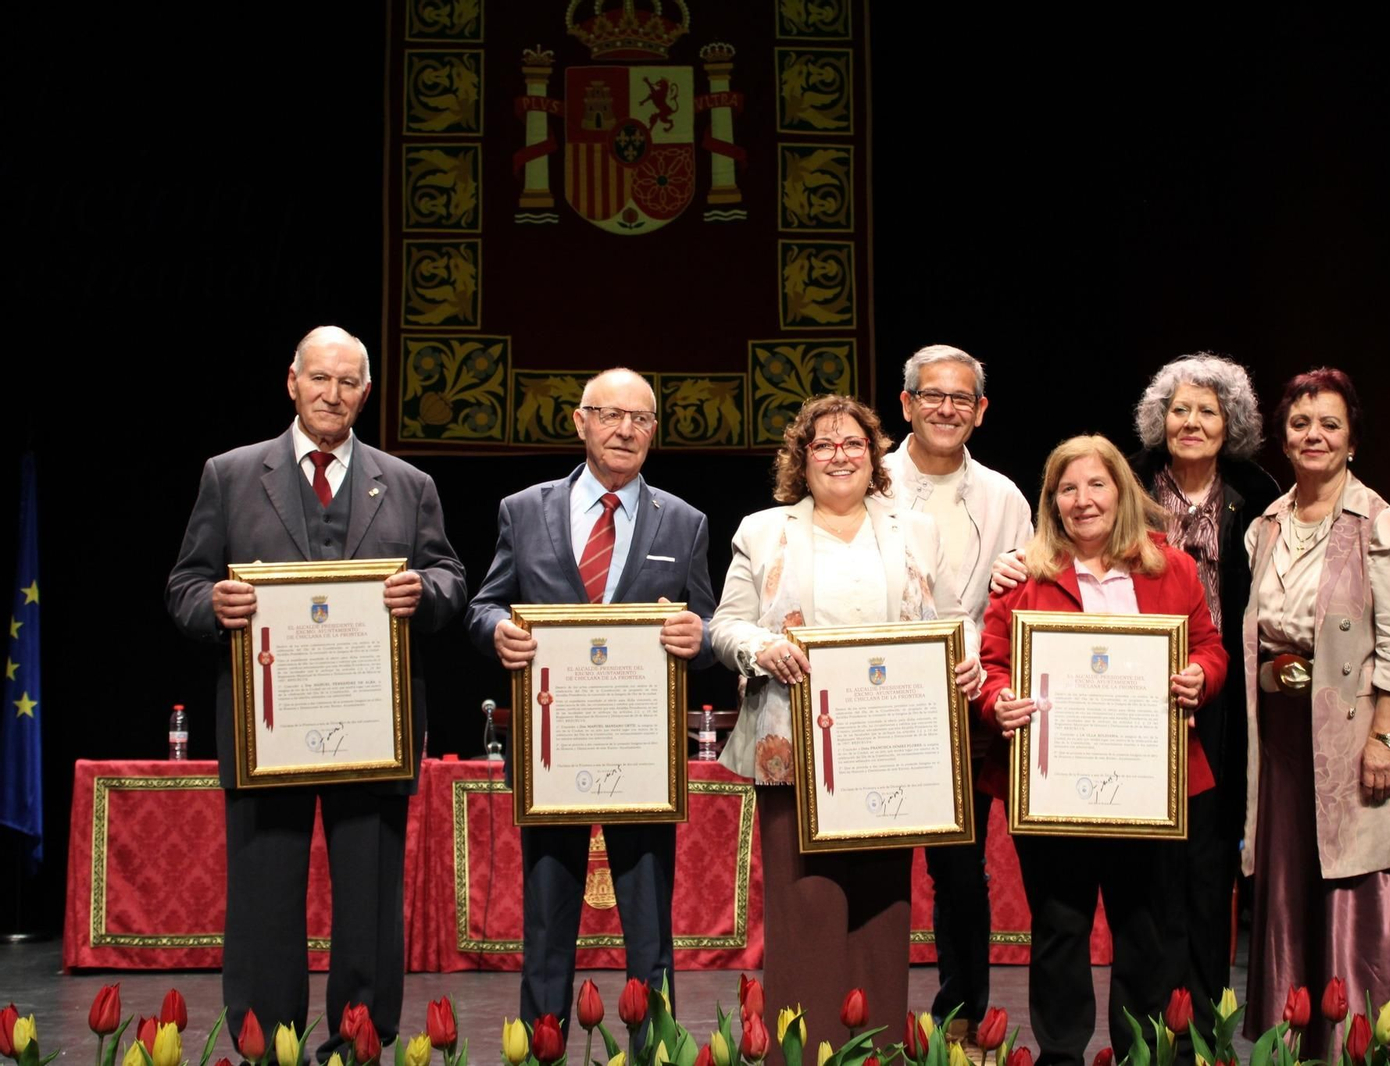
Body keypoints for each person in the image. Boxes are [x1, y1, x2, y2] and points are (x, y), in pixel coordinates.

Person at [166, 326, 467, 1063]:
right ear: (292, 382)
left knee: (368, 893)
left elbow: (452, 583)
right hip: (268, 727)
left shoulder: (407, 484)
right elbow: (184, 585)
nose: (333, 394)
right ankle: (267, 1039)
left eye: (348, 382)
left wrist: (422, 592)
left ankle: (362, 1039)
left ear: (365, 393)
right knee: (265, 890)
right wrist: (215, 607)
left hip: (375, 722)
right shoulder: (231, 474)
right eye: (319, 379)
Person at [710, 394, 983, 1059]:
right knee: (805, 909)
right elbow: (725, 625)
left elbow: (951, 623)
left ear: (875, 456)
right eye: (823, 445)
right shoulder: (762, 530)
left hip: (888, 752)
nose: (839, 455)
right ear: (800, 460)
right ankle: (802, 1052)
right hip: (793, 750)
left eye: (853, 444)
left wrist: (967, 661)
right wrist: (759, 648)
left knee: (881, 908)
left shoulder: (914, 530)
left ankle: (877, 1049)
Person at [464, 368, 715, 1033]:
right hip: (553, 752)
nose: (624, 429)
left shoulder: (684, 523)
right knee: (547, 918)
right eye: (609, 415)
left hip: (641, 756)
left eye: (640, 419)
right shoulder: (523, 510)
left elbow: (712, 627)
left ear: (654, 432)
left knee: (649, 926)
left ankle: (651, 1048)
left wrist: (700, 634)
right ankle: (543, 1044)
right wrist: (499, 634)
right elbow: (484, 605)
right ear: (581, 422)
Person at [977, 435, 1226, 1066]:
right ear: (1052, 502)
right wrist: (998, 701)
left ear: (1121, 492)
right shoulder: (1023, 577)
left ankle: (1141, 1053)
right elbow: (993, 666)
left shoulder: (1172, 568)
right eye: (1067, 489)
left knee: (1147, 930)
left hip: (1151, 787)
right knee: (1060, 929)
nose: (1083, 501)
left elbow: (1211, 649)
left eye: (1096, 485)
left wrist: (1200, 675)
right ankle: (1061, 1055)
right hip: (1053, 785)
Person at [1240, 369, 1390, 1056]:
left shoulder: (1383, 527)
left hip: (1355, 735)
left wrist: (1385, 738)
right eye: (1300, 424)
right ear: (1283, 438)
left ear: (1351, 440)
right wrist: (1269, 670)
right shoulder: (1267, 525)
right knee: (1289, 883)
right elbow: (1264, 632)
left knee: (1356, 882)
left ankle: (1357, 1042)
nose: (1313, 435)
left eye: (1329, 424)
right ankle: (1294, 1037)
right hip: (1284, 735)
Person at [1127, 354, 1278, 1045]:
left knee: (1210, 864)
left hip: (1224, 701)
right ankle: (1147, 1024)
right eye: (1180, 410)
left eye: (1207, 412)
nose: (1191, 423)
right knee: (1149, 867)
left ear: (1231, 425)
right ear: (1161, 420)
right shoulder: (1126, 483)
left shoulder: (1256, 492)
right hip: (1135, 699)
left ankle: (1205, 1026)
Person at [882, 345, 1032, 1038]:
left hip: (964, 707)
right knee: (875, 864)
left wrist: (985, 652)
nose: (947, 408)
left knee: (961, 874)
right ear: (906, 404)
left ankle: (963, 1020)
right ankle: (868, 1016)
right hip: (877, 703)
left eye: (961, 399)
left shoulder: (1003, 496)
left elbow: (1024, 604)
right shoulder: (868, 478)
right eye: (932, 396)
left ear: (981, 411)